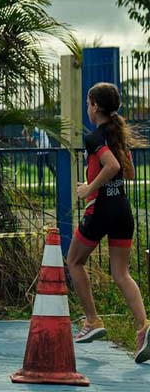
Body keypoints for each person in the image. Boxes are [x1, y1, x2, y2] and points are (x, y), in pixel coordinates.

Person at [67, 82, 149, 364]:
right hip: (122, 209)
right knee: (121, 274)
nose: (87, 108)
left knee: (74, 261)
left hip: (101, 210)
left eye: (88, 103)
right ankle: (144, 327)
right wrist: (95, 180)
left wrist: (89, 189)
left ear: (96, 107)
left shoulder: (94, 138)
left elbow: (113, 167)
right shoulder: (115, 137)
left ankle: (92, 320)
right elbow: (129, 172)